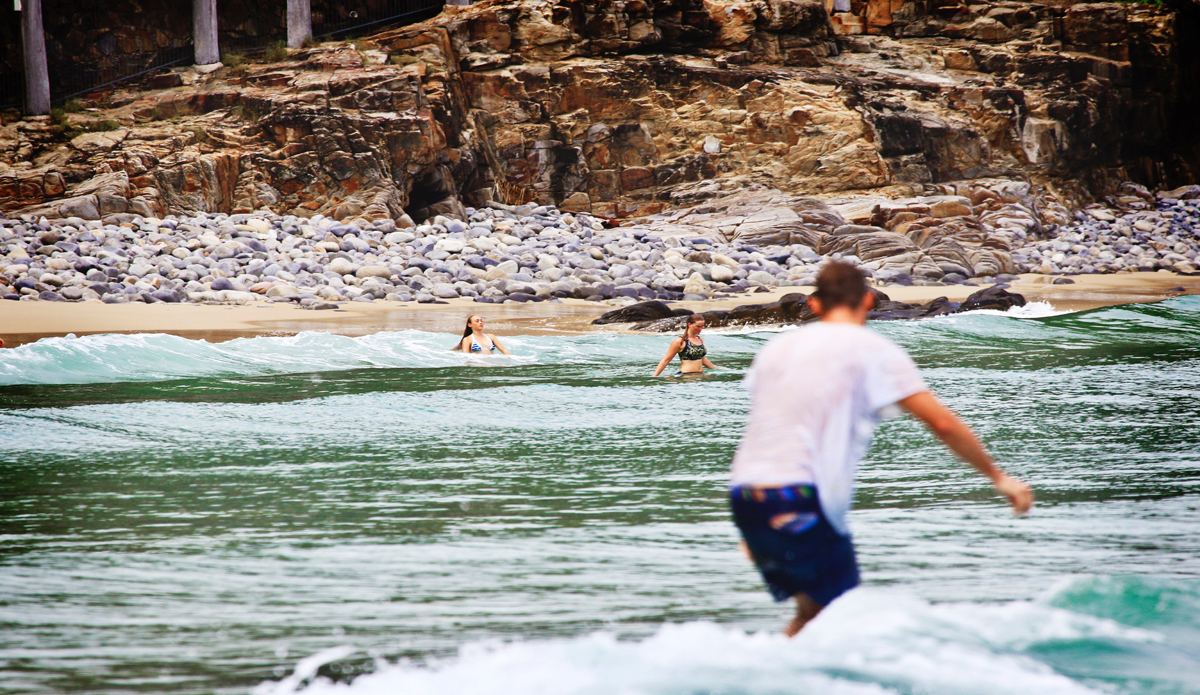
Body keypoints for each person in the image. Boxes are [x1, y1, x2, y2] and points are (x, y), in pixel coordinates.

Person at [730, 261, 1033, 636]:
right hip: (799, 497)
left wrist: (754, 520)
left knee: (813, 616)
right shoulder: (872, 349)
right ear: (870, 301)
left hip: (748, 494)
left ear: (814, 305)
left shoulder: (778, 348)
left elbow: (766, 427)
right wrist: (998, 477)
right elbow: (941, 422)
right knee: (837, 620)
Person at [652, 313, 718, 376]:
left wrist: (717, 369)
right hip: (686, 376)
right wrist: (654, 376)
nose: (700, 329)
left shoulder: (700, 339)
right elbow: (666, 360)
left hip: (700, 374)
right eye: (698, 326)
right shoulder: (680, 341)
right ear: (689, 325)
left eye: (702, 326)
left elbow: (701, 357)